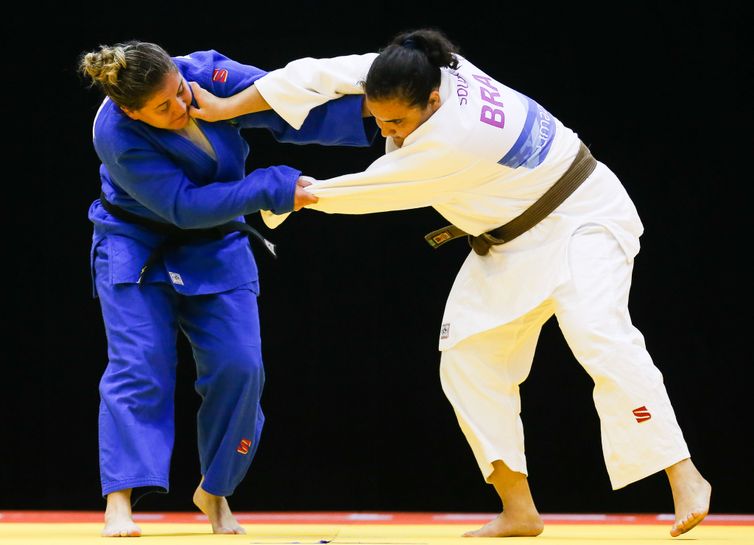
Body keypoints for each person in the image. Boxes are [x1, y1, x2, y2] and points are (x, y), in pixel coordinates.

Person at [189, 29, 712, 538]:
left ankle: (683, 475)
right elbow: (318, 74)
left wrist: (281, 194)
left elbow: (374, 191)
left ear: (434, 101)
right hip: (508, 239)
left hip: (580, 216)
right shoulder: (417, 69)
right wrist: (225, 107)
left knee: (597, 331)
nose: (388, 131)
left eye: (398, 121)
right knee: (466, 356)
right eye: (379, 116)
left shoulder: (456, 139)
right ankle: (518, 510)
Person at [78, 40, 373, 537]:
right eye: (161, 107)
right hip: (136, 241)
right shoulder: (114, 130)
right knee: (140, 365)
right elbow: (183, 205)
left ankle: (214, 491)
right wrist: (271, 186)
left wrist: (374, 113)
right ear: (131, 110)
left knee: (241, 366)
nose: (180, 108)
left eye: (177, 91)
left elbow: (283, 105)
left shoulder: (206, 74)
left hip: (216, 240)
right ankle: (120, 500)